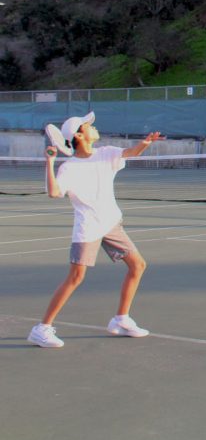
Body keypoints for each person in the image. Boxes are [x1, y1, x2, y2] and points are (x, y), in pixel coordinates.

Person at [27, 112, 163, 349]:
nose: (94, 126)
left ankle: (121, 319)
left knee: (138, 265)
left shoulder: (106, 153)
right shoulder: (69, 168)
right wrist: (49, 162)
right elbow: (54, 192)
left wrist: (145, 143)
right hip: (88, 227)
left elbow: (130, 153)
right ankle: (42, 329)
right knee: (76, 277)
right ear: (79, 135)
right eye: (89, 125)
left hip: (111, 223)